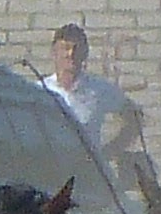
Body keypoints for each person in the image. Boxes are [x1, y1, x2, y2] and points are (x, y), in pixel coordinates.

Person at [39, 25, 141, 168]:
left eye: (76, 49)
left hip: (88, 173)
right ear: (54, 52)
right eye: (66, 48)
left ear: (85, 53)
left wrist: (107, 153)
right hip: (49, 170)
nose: (71, 54)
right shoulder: (39, 91)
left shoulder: (98, 89)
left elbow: (134, 117)